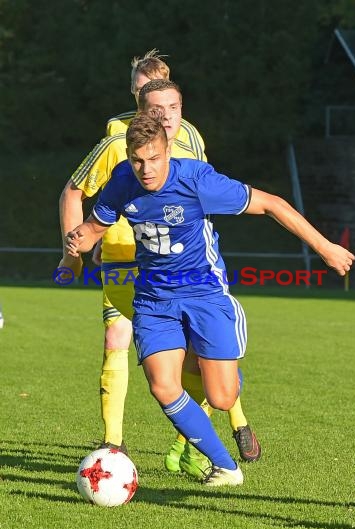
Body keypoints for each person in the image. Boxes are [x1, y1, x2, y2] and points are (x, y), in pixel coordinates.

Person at [64, 111, 355, 486]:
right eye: (138, 160)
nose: (146, 169)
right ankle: (227, 468)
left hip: (204, 294)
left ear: (167, 151)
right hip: (154, 299)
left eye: (153, 159)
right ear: (128, 157)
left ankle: (220, 365)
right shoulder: (122, 181)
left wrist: (326, 247)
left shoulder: (197, 181)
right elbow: (94, 228)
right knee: (162, 384)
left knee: (222, 396)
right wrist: (79, 242)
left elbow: (271, 204)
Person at [59, 55, 260, 479]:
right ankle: (113, 440)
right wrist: (80, 245)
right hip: (125, 263)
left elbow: (205, 194)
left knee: (199, 362)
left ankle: (217, 427)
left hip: (188, 269)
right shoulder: (117, 140)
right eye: (142, 94)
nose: (158, 110)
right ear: (138, 99)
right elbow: (76, 193)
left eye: (165, 98)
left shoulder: (190, 138)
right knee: (120, 338)